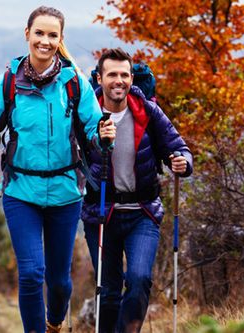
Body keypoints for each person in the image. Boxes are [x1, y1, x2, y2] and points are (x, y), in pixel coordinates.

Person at [0, 6, 116, 333]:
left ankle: (55, 322)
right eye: (39, 33)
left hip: (65, 193)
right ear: (27, 34)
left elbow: (92, 126)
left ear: (60, 40)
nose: (45, 41)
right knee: (31, 273)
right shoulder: (7, 83)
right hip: (21, 192)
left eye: (52, 35)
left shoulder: (73, 83)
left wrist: (101, 134)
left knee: (59, 282)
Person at [81, 48, 193, 333]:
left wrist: (183, 162)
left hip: (142, 212)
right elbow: (67, 152)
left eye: (124, 74)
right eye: (112, 75)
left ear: (131, 78)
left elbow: (178, 147)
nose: (118, 81)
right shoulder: (87, 114)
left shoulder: (148, 111)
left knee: (140, 279)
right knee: (107, 292)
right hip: (100, 213)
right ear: (99, 78)